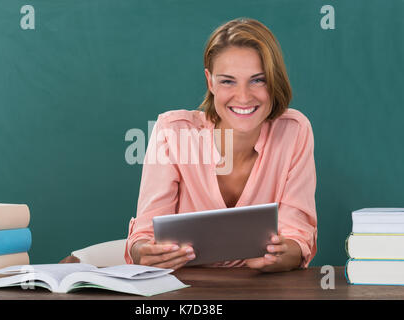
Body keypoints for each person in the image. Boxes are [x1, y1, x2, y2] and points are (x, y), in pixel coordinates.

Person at [61, 18, 317, 272]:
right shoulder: (172, 132)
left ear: (274, 80)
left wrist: (283, 255)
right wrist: (144, 253)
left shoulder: (294, 131)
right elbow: (144, 234)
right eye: (228, 81)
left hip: (258, 288)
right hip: (181, 283)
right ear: (210, 81)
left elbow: (298, 236)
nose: (243, 96)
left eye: (257, 80)